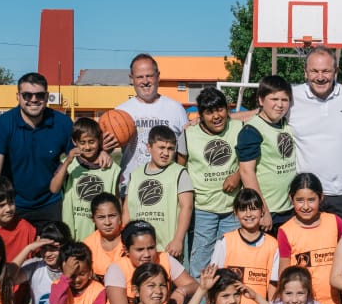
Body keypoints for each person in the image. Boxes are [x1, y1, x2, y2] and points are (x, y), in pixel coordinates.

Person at [291, 48, 342, 227]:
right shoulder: (291, 98)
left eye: (326, 71)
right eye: (314, 71)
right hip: (306, 195)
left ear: (336, 71)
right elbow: (262, 117)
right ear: (305, 72)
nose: (320, 77)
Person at [0, 71, 74, 224]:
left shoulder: (62, 123)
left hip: (51, 202)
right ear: (18, 96)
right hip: (13, 204)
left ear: (46, 97)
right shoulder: (3, 124)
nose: (33, 100)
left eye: (39, 95)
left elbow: (81, 153)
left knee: (55, 247)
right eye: (27, 95)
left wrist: (102, 153)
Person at [184, 87, 242, 274]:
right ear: (200, 115)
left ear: (227, 109)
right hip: (203, 209)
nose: (216, 116)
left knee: (232, 259)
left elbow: (251, 161)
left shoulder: (238, 128)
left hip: (232, 208)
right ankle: (200, 303)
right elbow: (180, 171)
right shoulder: (188, 135)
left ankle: (228, 301)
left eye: (220, 109)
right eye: (209, 112)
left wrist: (238, 175)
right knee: (201, 261)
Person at [276, 173, 342, 304]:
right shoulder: (285, 231)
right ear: (291, 199)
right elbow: (283, 274)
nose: (306, 206)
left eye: (311, 200)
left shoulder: (335, 222)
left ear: (321, 198)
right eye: (300, 200)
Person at [116, 53, 190, 188]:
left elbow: (185, 150)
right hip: (130, 186)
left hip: (166, 186)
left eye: (149, 75)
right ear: (131, 79)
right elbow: (103, 149)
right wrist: (104, 150)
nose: (145, 81)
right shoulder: (120, 112)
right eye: (139, 77)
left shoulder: (176, 108)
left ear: (158, 76)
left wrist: (176, 178)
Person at [236, 75, 299, 227]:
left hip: (289, 209)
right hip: (268, 212)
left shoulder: (287, 124)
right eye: (274, 99)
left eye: (284, 100)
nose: (280, 105)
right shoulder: (252, 130)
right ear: (260, 101)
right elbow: (246, 172)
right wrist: (262, 210)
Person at [125, 125, 193, 261]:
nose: (166, 153)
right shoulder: (135, 174)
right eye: (161, 148)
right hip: (138, 249)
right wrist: (125, 238)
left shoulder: (180, 172)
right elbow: (126, 209)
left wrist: (178, 239)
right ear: (149, 147)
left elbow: (187, 207)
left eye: (170, 149)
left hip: (167, 248)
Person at [51, 116, 121, 242]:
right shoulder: (69, 165)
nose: (87, 147)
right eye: (82, 143)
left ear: (99, 140)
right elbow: (53, 189)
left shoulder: (111, 167)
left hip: (102, 235)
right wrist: (67, 162)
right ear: (74, 142)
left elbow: (117, 201)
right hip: (74, 233)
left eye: (91, 142)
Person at [211, 188, 281, 304]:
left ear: (262, 210)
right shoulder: (225, 241)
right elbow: (214, 279)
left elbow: (273, 283)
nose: (248, 214)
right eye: (243, 210)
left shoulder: (273, 244)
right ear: (235, 212)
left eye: (253, 209)